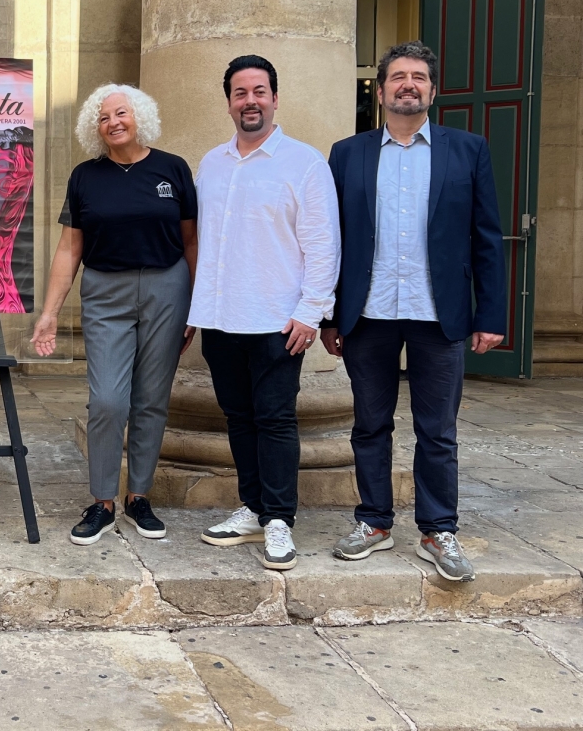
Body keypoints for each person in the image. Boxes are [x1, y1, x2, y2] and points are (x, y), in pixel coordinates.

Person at [322, 41, 506, 582]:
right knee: (369, 424)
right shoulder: (347, 154)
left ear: (432, 90)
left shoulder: (467, 150)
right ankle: (374, 522)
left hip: (438, 314)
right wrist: (330, 314)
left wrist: (491, 314)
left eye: (418, 77)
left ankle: (438, 529)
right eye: (398, 77)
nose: (408, 85)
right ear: (380, 92)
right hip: (368, 313)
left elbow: (486, 238)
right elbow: (332, 240)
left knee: (438, 430)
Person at [190, 55, 340, 571]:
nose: (249, 101)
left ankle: (279, 518)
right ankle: (253, 508)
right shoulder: (211, 163)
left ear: (275, 98)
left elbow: (323, 243)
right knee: (238, 417)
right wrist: (194, 308)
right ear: (229, 102)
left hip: (279, 320)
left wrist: (312, 312)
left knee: (275, 419)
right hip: (221, 316)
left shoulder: (304, 163)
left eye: (259, 91)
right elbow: (205, 242)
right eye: (240, 92)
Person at [31, 84, 198, 546]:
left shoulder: (173, 169)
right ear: (95, 128)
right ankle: (102, 502)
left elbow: (191, 241)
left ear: (139, 116)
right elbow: (69, 249)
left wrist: (197, 304)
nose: (113, 123)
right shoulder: (85, 176)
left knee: (151, 398)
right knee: (107, 399)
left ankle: (138, 496)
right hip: (105, 291)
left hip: (167, 286)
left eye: (120, 113)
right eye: (103, 118)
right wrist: (49, 313)